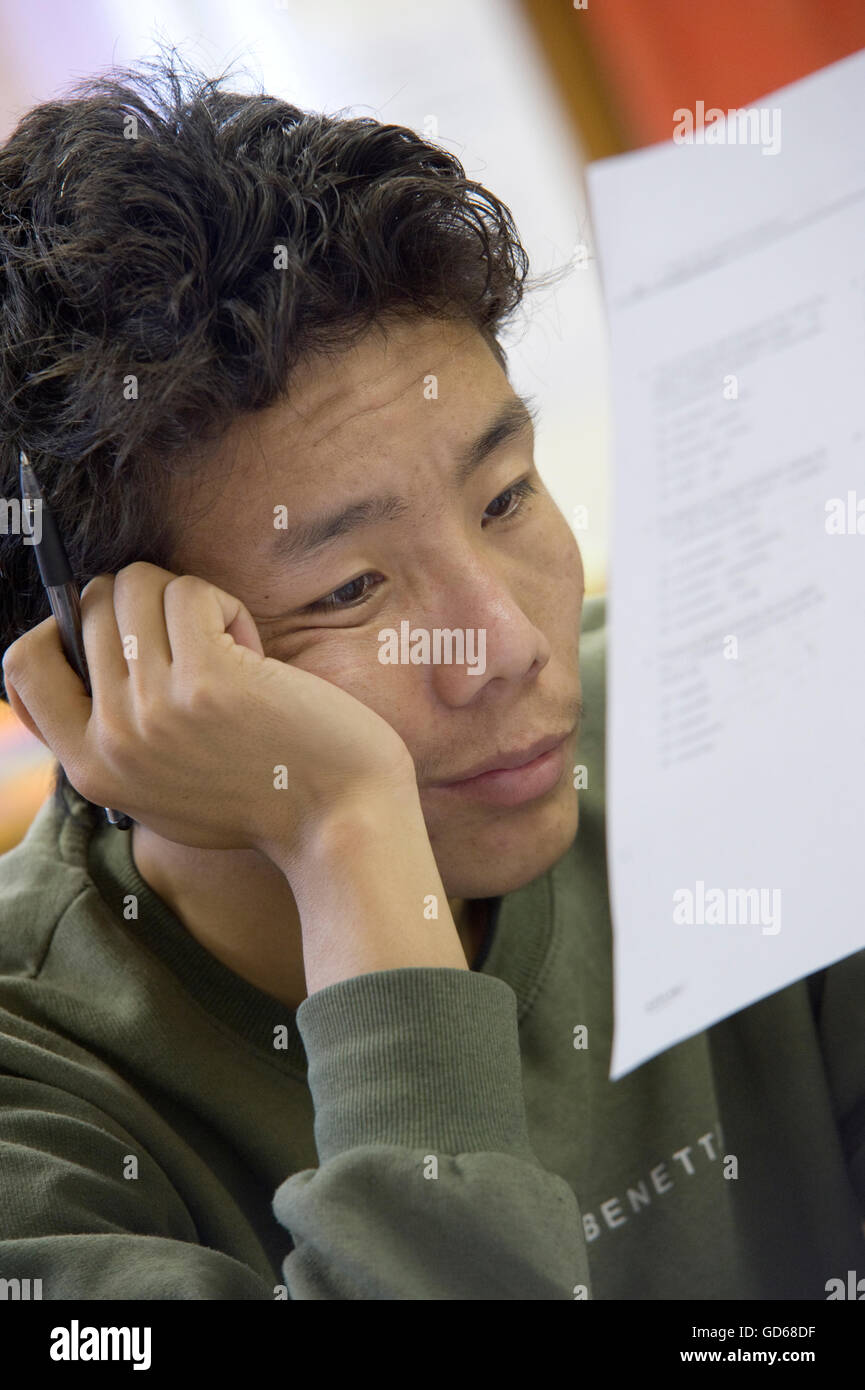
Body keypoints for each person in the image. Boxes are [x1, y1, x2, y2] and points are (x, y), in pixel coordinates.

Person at [0, 55, 862, 1302]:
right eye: (351, 589)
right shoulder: (39, 1110)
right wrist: (349, 830)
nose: (506, 642)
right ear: (89, 687)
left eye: (506, 494)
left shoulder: (722, 720)